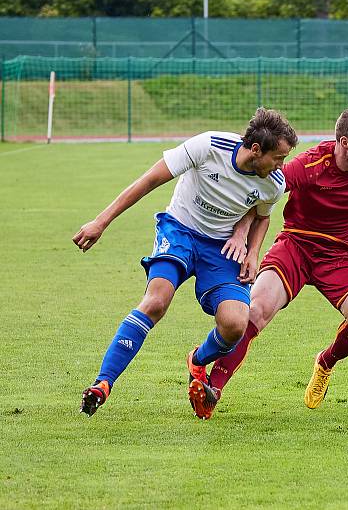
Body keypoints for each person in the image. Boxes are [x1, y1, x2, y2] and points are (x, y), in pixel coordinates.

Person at [187, 106, 348, 419]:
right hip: (296, 245)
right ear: (344, 143)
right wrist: (242, 233)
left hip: (343, 254)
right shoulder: (308, 165)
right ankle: (213, 389)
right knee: (255, 311)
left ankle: (325, 362)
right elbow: (262, 194)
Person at [73, 108, 298, 417]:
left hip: (221, 250)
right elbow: (149, 180)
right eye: (279, 157)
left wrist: (253, 252)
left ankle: (198, 359)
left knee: (235, 325)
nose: (282, 165)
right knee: (156, 302)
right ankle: (103, 384)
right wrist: (101, 222)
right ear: (256, 150)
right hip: (179, 231)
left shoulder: (273, 181)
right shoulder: (208, 146)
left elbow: (262, 216)